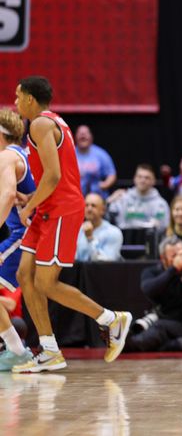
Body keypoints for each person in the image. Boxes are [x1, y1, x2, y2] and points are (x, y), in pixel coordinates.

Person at [13, 76, 131, 372]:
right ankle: (49, 350)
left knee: (46, 283)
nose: (14, 103)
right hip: (47, 208)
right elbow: (50, 177)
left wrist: (29, 204)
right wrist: (31, 197)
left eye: (17, 97)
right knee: (25, 275)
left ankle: (110, 319)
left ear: (30, 98)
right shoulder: (49, 123)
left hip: (61, 210)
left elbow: (53, 177)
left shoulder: (40, 124)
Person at [126, 237, 182, 352]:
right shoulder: (152, 271)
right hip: (155, 318)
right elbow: (149, 290)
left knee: (160, 327)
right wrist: (173, 269)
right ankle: (172, 345)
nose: (180, 259)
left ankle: (127, 346)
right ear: (163, 258)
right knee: (134, 325)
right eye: (174, 256)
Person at [0, 109, 36, 370]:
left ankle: (17, 350)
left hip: (18, 234)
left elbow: (9, 194)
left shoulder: (7, 156)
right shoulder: (21, 154)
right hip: (24, 232)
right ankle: (16, 349)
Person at [107, 164, 170, 231]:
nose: (142, 180)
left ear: (153, 181)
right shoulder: (122, 199)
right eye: (139, 177)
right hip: (125, 239)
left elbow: (165, 227)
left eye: (147, 178)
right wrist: (108, 201)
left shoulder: (161, 204)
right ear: (134, 178)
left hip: (151, 240)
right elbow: (107, 218)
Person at [75, 193, 123, 262]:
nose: (89, 209)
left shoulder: (114, 232)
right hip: (78, 272)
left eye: (93, 206)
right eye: (86, 205)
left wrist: (90, 239)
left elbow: (107, 263)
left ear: (103, 210)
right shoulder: (76, 230)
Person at [74, 125, 117, 198]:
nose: (83, 135)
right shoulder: (70, 153)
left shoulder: (100, 154)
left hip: (96, 197)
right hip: (75, 196)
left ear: (91, 137)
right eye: (80, 133)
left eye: (86, 133)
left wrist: (104, 185)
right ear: (75, 137)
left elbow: (112, 174)